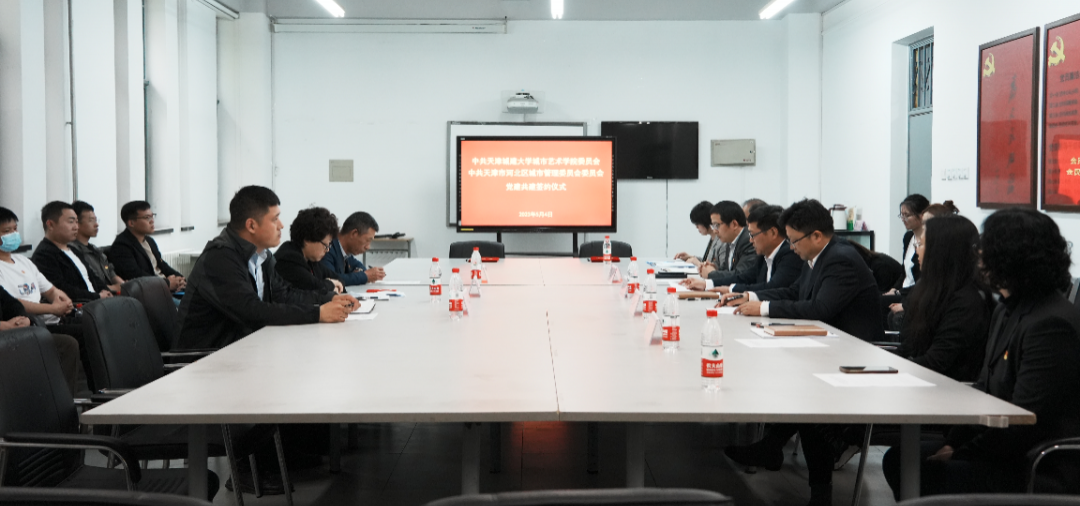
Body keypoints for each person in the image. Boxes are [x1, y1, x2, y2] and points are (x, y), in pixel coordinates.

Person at [883, 208, 1080, 495]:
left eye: (986, 250)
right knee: (899, 459)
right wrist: (955, 441)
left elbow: (1025, 421)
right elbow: (984, 391)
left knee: (918, 469)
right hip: (1002, 447)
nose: (979, 258)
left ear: (1009, 258)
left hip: (1035, 462)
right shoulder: (1007, 310)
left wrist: (962, 451)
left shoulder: (1050, 325)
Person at [176, 186, 359, 350]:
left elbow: (285, 295)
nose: (281, 225)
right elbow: (252, 311)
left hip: (244, 349)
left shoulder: (262, 257)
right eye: (275, 219)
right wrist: (318, 313)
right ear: (251, 225)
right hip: (204, 360)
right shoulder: (220, 258)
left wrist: (330, 298)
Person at [722, 199, 884, 342]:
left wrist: (764, 308)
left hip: (855, 347)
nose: (791, 247)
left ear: (816, 236)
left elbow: (820, 308)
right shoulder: (816, 255)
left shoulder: (841, 260)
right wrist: (750, 296)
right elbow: (795, 291)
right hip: (827, 339)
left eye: (794, 241)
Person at [894, 214, 992, 381]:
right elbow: (909, 346)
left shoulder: (967, 302)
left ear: (941, 251)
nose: (917, 251)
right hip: (920, 380)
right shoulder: (928, 290)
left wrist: (895, 372)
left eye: (921, 244)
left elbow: (937, 361)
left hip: (947, 388)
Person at [0, 207, 83, 394]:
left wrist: (63, 301)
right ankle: (59, 400)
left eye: (15, 229)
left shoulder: (23, 261)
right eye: (6, 231)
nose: (13, 234)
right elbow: (14, 300)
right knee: (68, 343)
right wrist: (51, 309)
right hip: (31, 325)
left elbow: (50, 289)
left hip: (34, 322)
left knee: (90, 326)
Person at [680, 205, 801, 294]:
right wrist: (706, 284)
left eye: (753, 235)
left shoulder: (790, 254)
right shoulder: (764, 255)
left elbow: (773, 288)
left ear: (773, 233)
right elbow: (744, 277)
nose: (751, 240)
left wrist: (731, 289)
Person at [31, 201, 113, 302]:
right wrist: (97, 296)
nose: (76, 227)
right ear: (51, 225)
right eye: (71, 222)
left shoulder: (73, 250)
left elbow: (93, 277)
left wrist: (106, 291)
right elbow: (61, 289)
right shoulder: (44, 255)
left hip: (96, 302)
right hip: (78, 306)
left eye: (76, 222)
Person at [108, 201, 186, 293]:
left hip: (165, 288)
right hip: (151, 293)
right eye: (147, 218)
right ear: (131, 223)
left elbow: (162, 265)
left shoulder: (149, 241)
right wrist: (167, 283)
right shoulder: (121, 246)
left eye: (152, 216)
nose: (152, 221)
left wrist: (180, 279)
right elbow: (137, 276)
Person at [274, 207, 343, 294]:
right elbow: (314, 287)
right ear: (307, 240)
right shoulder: (288, 259)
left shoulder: (311, 260)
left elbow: (339, 280)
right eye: (325, 245)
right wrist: (331, 284)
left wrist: (329, 285)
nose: (328, 250)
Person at [70, 201, 125, 293]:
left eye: (96, 220)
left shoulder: (96, 250)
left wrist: (124, 285)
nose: (96, 224)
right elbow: (89, 282)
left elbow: (110, 272)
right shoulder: (72, 251)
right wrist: (113, 288)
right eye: (91, 220)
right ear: (77, 224)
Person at [320, 211, 385, 286]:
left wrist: (361, 273)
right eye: (367, 240)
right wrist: (365, 276)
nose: (368, 247)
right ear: (354, 233)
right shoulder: (327, 248)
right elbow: (331, 279)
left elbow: (358, 266)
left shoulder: (345, 251)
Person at [700, 201, 757, 281]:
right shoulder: (729, 240)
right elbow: (730, 270)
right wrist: (716, 268)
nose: (715, 231)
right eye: (713, 226)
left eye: (717, 225)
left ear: (734, 224)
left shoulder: (749, 241)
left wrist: (712, 274)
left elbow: (741, 275)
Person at [673, 201, 722, 268]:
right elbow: (708, 261)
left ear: (705, 221)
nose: (696, 227)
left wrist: (697, 263)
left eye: (697, 223)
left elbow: (720, 269)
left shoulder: (721, 242)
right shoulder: (713, 239)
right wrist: (691, 257)